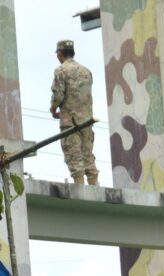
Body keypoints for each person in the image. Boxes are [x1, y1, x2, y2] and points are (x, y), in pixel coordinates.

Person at [51, 39, 98, 186]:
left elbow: (58, 95)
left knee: (74, 158)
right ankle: (94, 187)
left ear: (60, 53)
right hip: (87, 121)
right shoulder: (86, 71)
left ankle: (80, 190)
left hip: (70, 122)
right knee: (88, 157)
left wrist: (53, 109)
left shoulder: (61, 70)